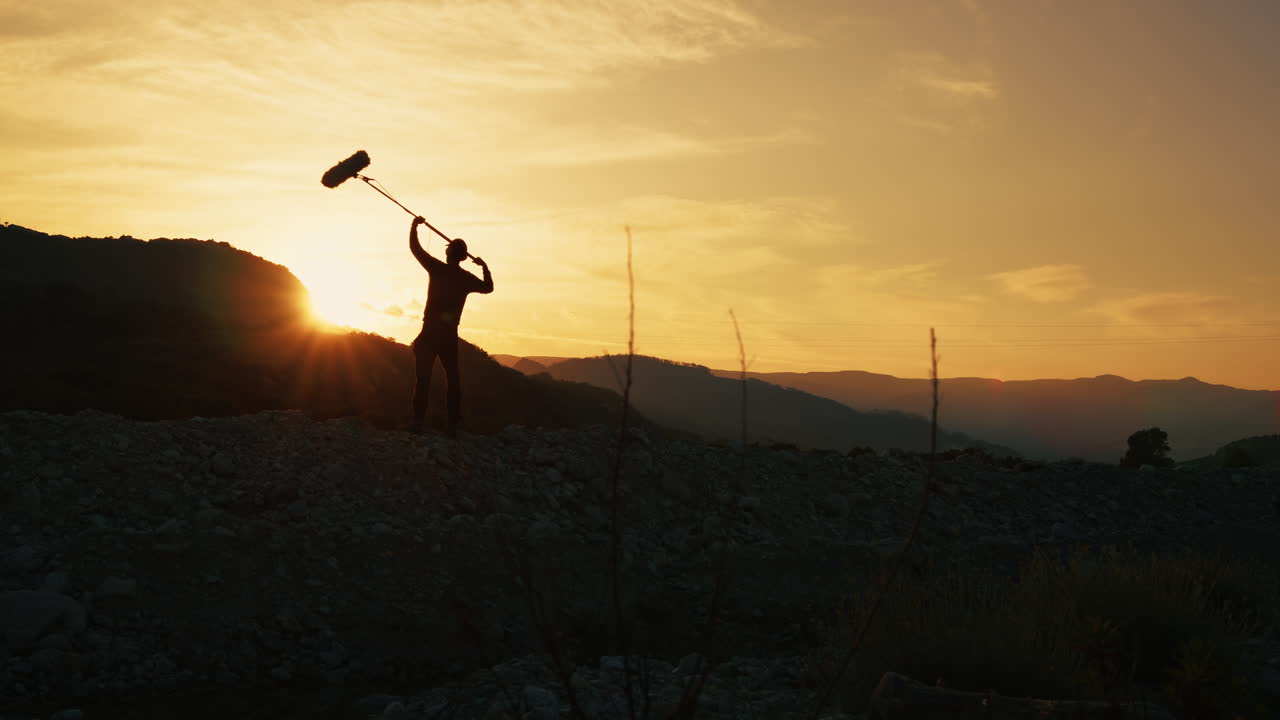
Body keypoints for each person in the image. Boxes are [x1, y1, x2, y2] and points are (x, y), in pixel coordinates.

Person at [408, 215, 493, 436]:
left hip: (429, 333)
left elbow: (415, 249)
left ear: (448, 253)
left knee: (423, 379)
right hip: (448, 336)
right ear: (463, 257)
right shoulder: (466, 278)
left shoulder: (437, 268)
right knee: (453, 380)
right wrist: (484, 267)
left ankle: (418, 423)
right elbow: (488, 287)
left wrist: (414, 227)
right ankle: (453, 425)